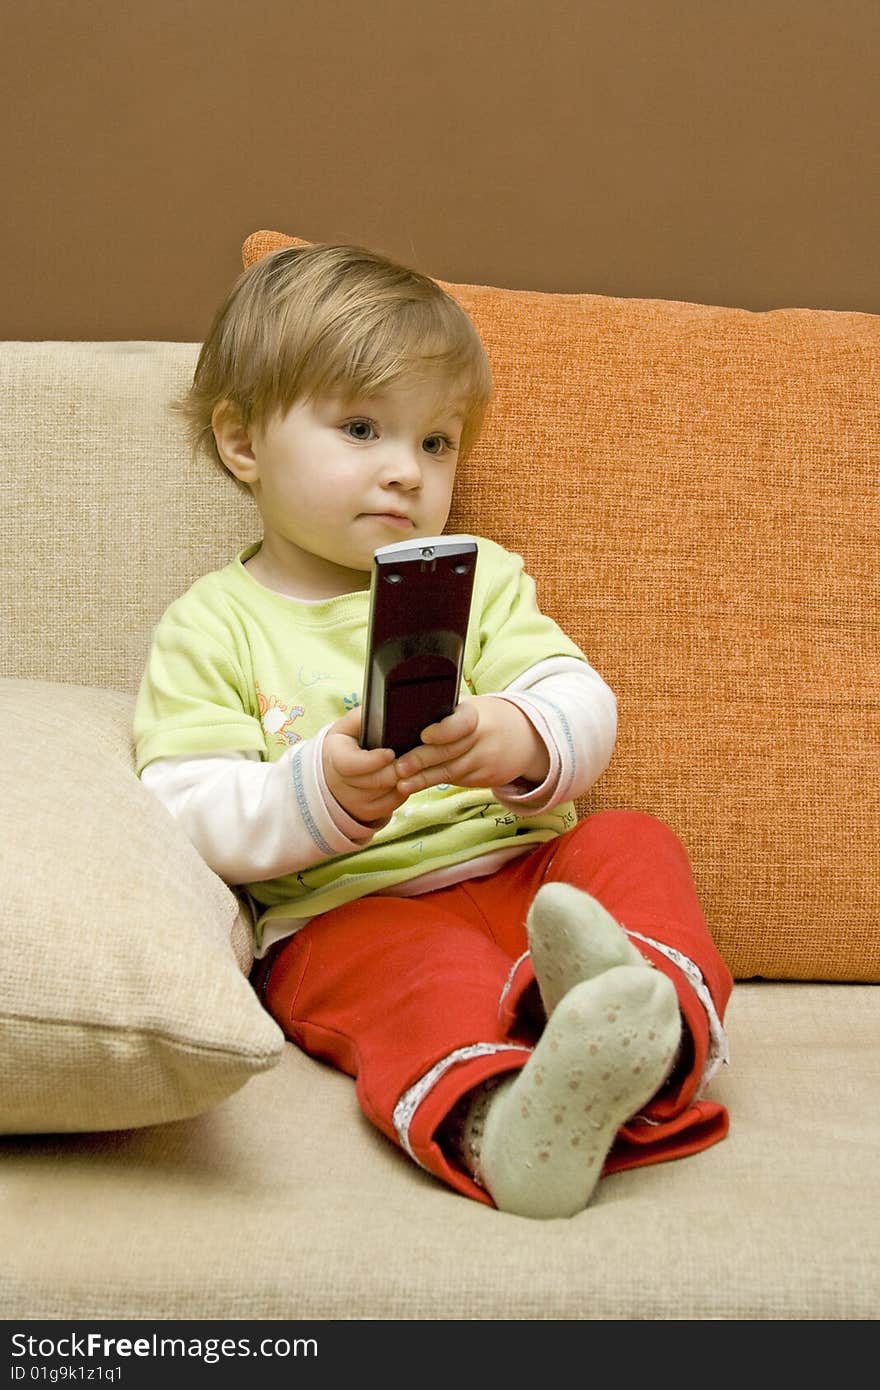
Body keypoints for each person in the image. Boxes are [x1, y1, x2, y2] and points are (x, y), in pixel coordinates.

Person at [134, 242, 732, 1218]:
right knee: (423, 978)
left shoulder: (478, 577)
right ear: (242, 443)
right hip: (348, 910)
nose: (405, 472)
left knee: (631, 840)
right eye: (362, 427)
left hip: (528, 877)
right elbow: (182, 807)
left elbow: (579, 694)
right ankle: (505, 1121)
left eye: (435, 442)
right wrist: (317, 793)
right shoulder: (214, 624)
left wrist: (522, 733)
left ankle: (630, 1012)